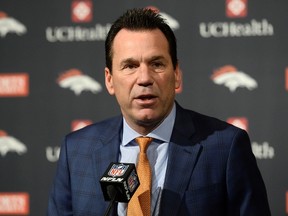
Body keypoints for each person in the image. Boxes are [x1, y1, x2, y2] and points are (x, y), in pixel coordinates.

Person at [47, 8, 271, 216]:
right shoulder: (76, 151)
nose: (144, 78)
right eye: (130, 66)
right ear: (109, 80)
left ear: (176, 74)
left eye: (156, 63)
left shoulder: (226, 147)